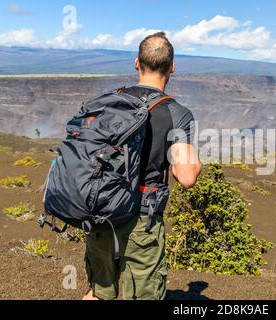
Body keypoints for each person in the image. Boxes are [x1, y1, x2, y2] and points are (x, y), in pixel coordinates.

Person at [83, 32, 202, 300]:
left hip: (100, 213)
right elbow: (186, 177)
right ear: (172, 67)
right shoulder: (178, 114)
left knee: (99, 294)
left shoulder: (108, 103)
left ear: (136, 63)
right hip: (141, 221)